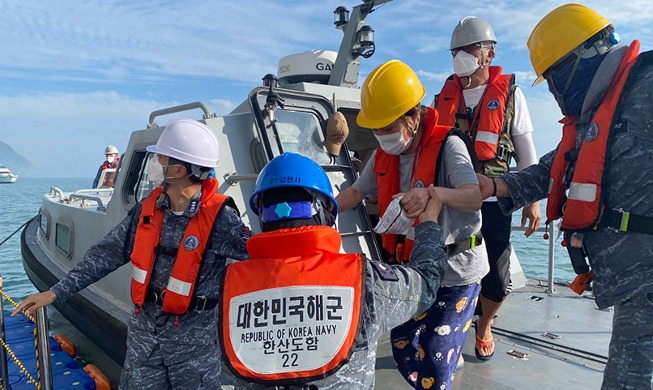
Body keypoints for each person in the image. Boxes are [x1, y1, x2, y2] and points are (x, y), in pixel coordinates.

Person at [477, 4, 653, 389]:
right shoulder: (602, 110)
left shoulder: (647, 87)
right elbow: (553, 167)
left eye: (554, 78)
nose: (555, 91)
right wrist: (492, 187)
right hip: (632, 287)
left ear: (579, 59)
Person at [13, 119, 251, 390]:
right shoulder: (146, 211)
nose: (155, 163)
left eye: (160, 157)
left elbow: (261, 265)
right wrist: (55, 292)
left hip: (193, 350)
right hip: (144, 343)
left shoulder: (222, 219)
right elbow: (103, 256)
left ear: (179, 169)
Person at [220, 152, 448, 389]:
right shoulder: (365, 279)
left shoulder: (228, 287)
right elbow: (426, 282)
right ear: (326, 213)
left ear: (261, 216)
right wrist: (429, 222)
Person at [336, 60, 488, 389]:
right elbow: (357, 192)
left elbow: (474, 196)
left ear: (413, 115)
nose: (381, 135)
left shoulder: (450, 146)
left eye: (387, 126)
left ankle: (441, 372)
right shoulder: (382, 155)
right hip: (413, 270)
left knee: (435, 353)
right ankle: (443, 366)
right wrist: (320, 211)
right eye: (375, 128)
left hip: (456, 271)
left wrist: (433, 193)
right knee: (402, 342)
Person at [432, 16, 541, 361]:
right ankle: (453, 327)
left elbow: (526, 151)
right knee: (449, 269)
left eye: (468, 48)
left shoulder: (511, 94)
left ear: (488, 53)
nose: (460, 56)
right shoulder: (443, 96)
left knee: (496, 276)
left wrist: (532, 202)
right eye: (455, 51)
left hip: (495, 199)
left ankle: (485, 324)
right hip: (452, 200)